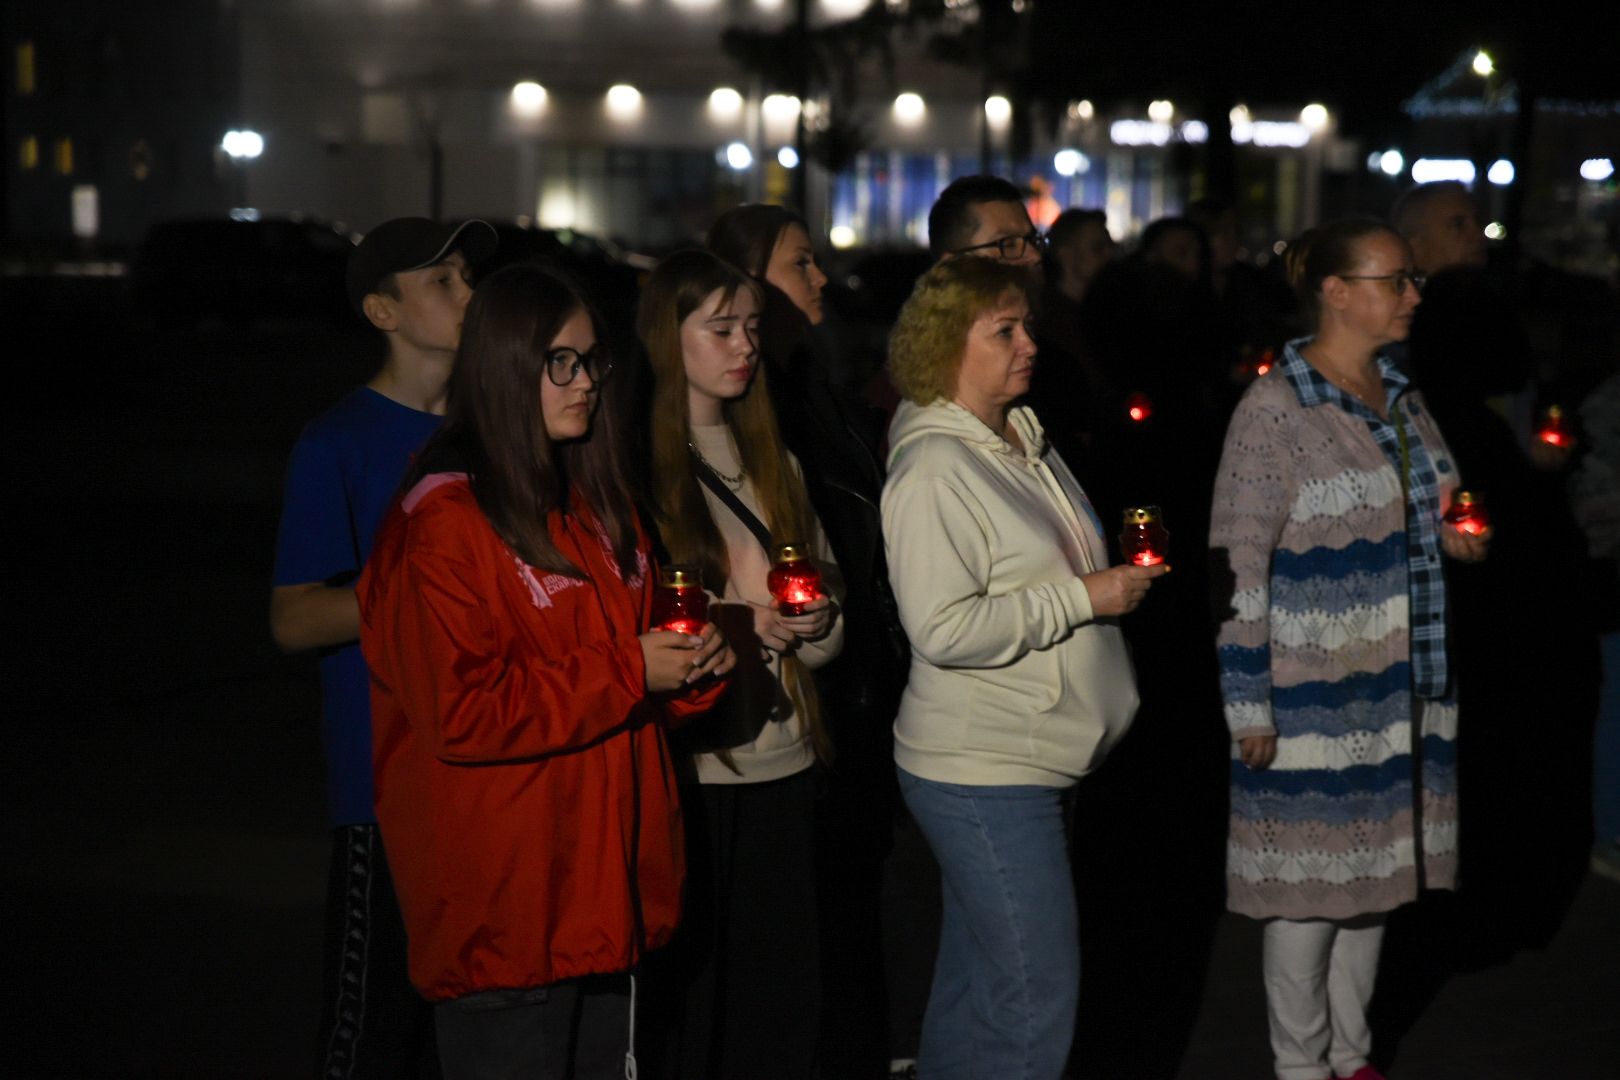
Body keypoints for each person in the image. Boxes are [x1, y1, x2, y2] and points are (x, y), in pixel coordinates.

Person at [356, 262, 734, 1079]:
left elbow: (632, 692)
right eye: (557, 361)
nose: (585, 382)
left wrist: (693, 666)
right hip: (509, 907)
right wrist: (630, 669)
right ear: (501, 368)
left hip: (609, 894)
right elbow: (463, 714)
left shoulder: (598, 503)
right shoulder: (444, 524)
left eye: (591, 359)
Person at [1209, 219, 1489, 1080]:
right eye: (1395, 280)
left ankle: (1352, 1055)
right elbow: (1236, 564)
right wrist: (1248, 701)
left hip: (1401, 685)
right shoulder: (1275, 409)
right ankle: (1300, 1066)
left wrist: (1458, 531)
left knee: (1375, 881)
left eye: (1413, 281)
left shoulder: (1399, 392)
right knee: (1306, 899)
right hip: (1311, 696)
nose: (1412, 295)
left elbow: (1442, 498)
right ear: (1335, 292)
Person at [880, 256, 1165, 1079]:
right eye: (1003, 330)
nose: (1028, 343)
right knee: (1034, 1001)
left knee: (979, 990)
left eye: (1027, 325)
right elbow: (942, 628)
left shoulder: (1017, 439)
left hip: (1032, 758)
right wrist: (1084, 598)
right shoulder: (936, 468)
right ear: (946, 345)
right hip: (983, 766)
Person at [269, 215, 496, 1078]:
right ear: (382, 312)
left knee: (471, 1032)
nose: (469, 294)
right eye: (443, 281)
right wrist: (424, 591)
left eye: (469, 275)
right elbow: (294, 618)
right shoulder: (339, 442)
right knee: (374, 1033)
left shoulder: (492, 431)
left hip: (488, 771)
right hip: (385, 785)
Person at [707, 204, 908, 1079]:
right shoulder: (755, 416)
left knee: (836, 929)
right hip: (771, 727)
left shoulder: (811, 396)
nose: (820, 279)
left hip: (839, 694)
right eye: (801, 264)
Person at [638, 249, 845, 1079]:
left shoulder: (777, 463)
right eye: (719, 327)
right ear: (666, 336)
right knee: (695, 1005)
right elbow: (639, 628)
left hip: (786, 758)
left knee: (780, 1001)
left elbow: (826, 619)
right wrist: (741, 622)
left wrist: (817, 620)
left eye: (753, 327)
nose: (743, 346)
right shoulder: (633, 472)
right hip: (699, 770)